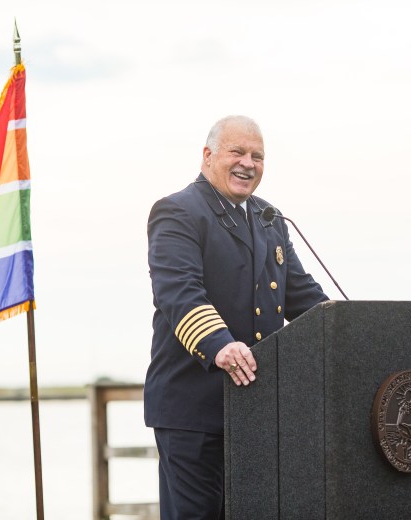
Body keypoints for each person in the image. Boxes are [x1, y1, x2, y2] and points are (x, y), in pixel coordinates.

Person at [145, 115, 328, 519]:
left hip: (257, 408)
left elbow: (305, 298)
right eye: (237, 152)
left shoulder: (270, 219)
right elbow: (179, 293)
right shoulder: (177, 211)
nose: (248, 163)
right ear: (208, 156)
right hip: (194, 407)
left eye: (258, 156)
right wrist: (220, 344)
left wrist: (351, 329)